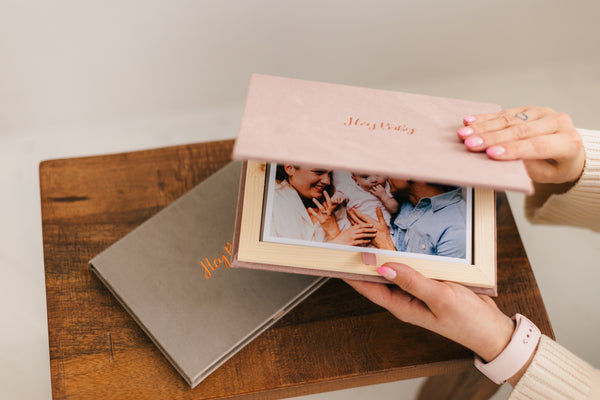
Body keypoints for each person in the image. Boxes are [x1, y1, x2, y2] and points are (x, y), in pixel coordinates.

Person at [346, 106, 600, 399]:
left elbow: (442, 286)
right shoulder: (409, 205)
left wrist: (503, 344)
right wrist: (582, 167)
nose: (382, 176)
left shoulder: (454, 226)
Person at [348, 180, 467, 259]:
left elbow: (440, 289)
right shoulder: (401, 200)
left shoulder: (457, 230)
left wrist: (384, 244)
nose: (386, 176)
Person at [270, 164, 377, 246]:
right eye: (318, 172)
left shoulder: (337, 206)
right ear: (290, 168)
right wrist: (337, 242)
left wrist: (333, 231)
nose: (327, 181)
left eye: (329, 174)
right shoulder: (271, 202)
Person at [330, 171, 399, 235]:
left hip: (382, 232)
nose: (374, 180)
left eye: (378, 174)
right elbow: (340, 193)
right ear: (355, 180)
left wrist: (384, 196)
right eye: (366, 177)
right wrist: (338, 197)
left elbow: (394, 209)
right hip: (356, 230)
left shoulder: (388, 188)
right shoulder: (352, 189)